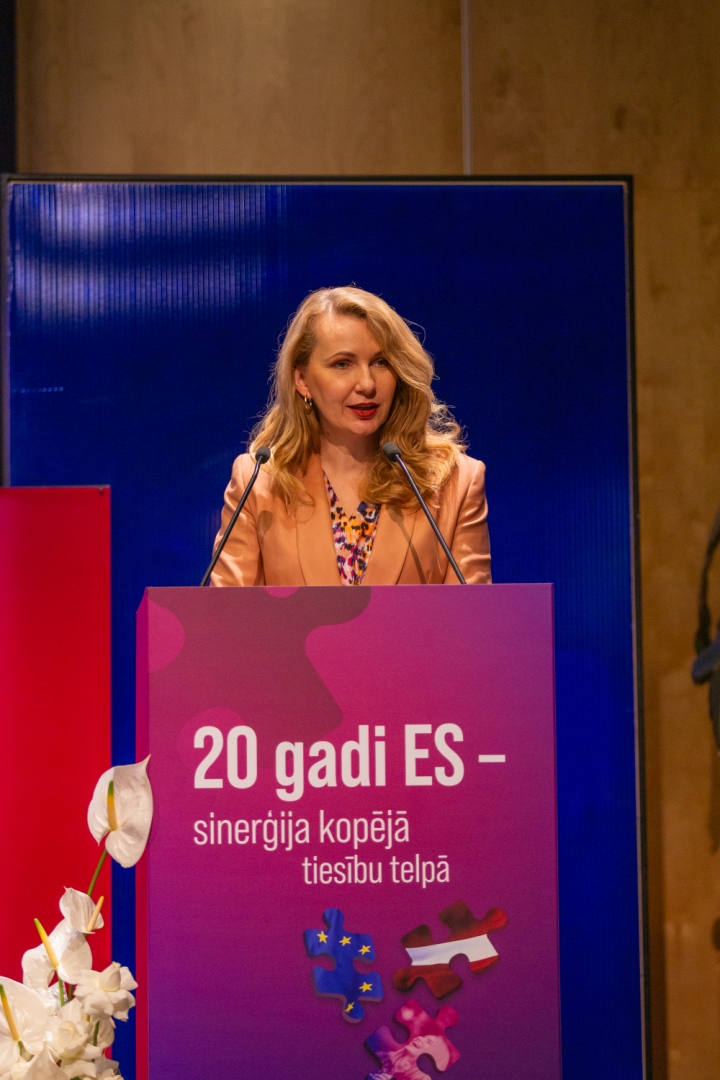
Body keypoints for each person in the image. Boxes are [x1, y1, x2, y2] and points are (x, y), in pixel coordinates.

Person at [210, 286, 490, 587]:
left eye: (381, 362)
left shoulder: (456, 483)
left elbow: (471, 613)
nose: (367, 384)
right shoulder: (259, 483)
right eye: (342, 364)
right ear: (302, 380)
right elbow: (227, 610)